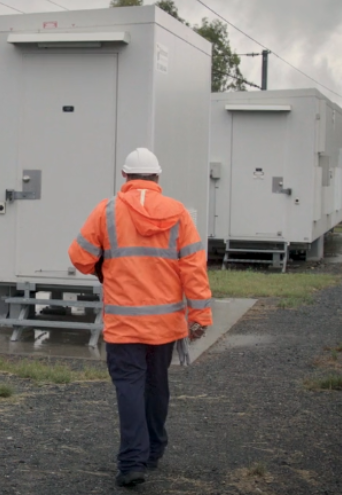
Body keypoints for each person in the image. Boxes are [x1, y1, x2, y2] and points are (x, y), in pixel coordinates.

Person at [67, 148, 212, 488]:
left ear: (125, 176)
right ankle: (154, 450)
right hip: (165, 325)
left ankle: (133, 462)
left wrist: (104, 266)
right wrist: (200, 315)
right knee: (156, 384)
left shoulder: (106, 211)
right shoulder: (178, 213)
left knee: (129, 387)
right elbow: (193, 267)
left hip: (123, 324)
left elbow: (79, 257)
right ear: (157, 178)